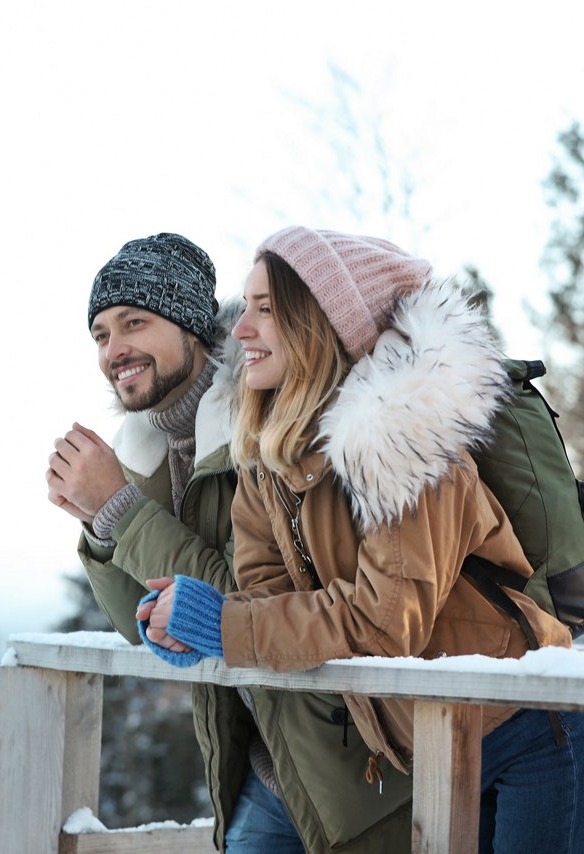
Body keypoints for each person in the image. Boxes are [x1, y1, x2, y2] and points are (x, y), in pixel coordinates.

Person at [138, 226, 584, 853]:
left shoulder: (412, 444)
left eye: (265, 309)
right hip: (435, 751)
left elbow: (384, 624)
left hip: (540, 742)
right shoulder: (266, 464)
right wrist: (205, 625)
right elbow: (264, 604)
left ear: (320, 322)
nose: (239, 330)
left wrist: (225, 627)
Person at [47, 232, 411, 853]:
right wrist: (100, 520)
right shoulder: (151, 453)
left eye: (134, 322)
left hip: (354, 769)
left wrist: (120, 509)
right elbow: (141, 622)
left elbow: (245, 608)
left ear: (191, 328)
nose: (115, 349)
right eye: (101, 334)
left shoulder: (264, 426)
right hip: (264, 767)